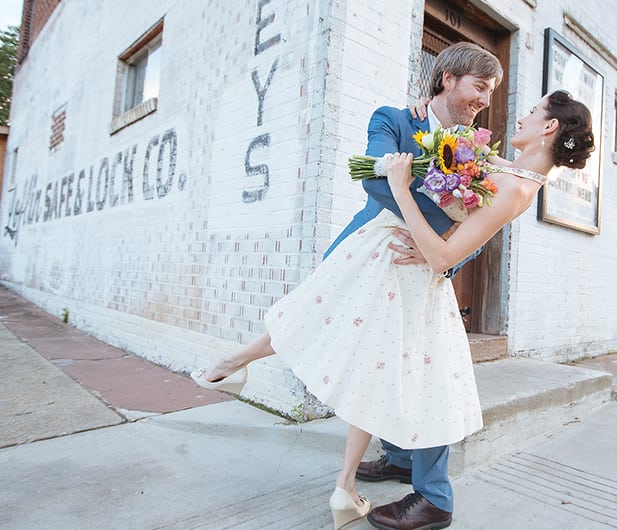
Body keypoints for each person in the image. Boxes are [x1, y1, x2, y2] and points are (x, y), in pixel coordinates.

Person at [194, 89, 594, 530]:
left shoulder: (516, 188)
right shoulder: (513, 170)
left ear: (550, 127)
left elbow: (444, 257)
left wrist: (403, 191)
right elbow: (461, 151)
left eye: (533, 112)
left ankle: (420, 495)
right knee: (355, 341)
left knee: (402, 370)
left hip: (419, 276)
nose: (521, 117)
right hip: (399, 260)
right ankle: (380, 468)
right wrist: (429, 113)